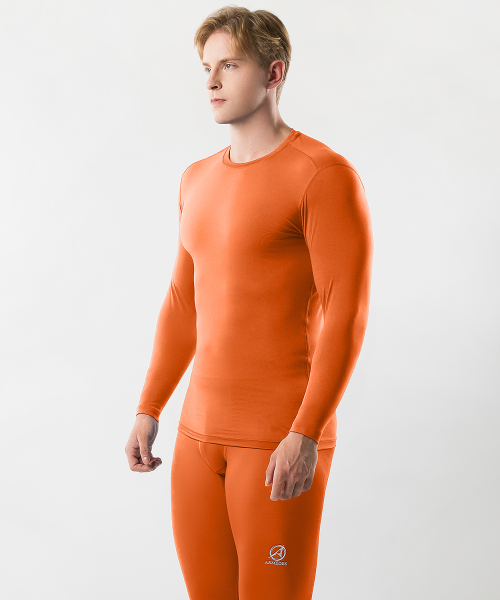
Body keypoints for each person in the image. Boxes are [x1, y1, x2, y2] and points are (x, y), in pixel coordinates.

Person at [125, 6, 373, 598]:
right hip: (196, 440)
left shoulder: (323, 175)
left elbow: (347, 312)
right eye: (206, 67)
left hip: (278, 439)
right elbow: (183, 302)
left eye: (230, 65)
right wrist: (150, 406)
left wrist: (306, 431)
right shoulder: (195, 179)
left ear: (273, 72)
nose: (211, 81)